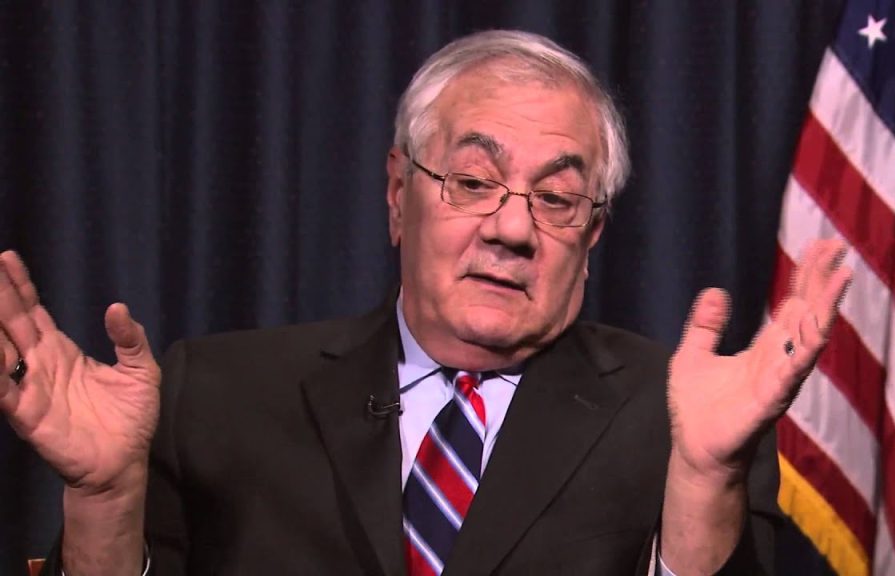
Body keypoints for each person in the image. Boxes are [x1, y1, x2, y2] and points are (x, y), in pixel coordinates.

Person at [0, 30, 850, 575]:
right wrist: (104, 502)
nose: (511, 229)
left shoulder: (682, 419)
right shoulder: (214, 395)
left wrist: (702, 481)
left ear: (592, 235)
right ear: (398, 192)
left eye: (556, 199)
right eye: (473, 181)